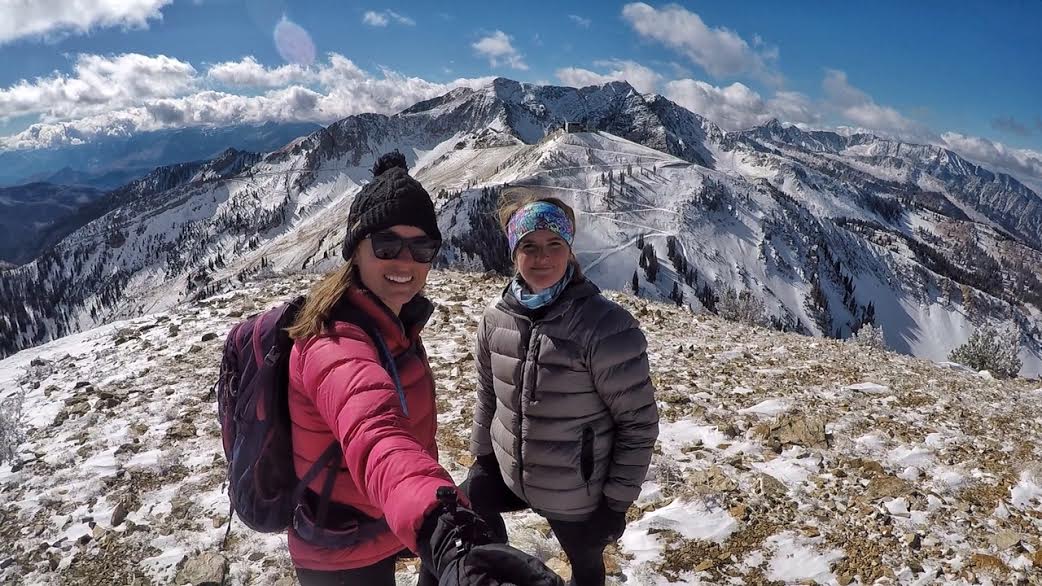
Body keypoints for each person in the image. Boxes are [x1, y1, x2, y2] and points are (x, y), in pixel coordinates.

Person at [284, 153, 564, 586]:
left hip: (381, 520)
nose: (405, 261)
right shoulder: (335, 341)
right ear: (354, 249)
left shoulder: (392, 322)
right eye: (387, 246)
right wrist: (444, 528)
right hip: (340, 549)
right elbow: (376, 435)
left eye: (422, 248)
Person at [466, 189, 660, 586]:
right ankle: (501, 567)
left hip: (576, 492)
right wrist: (482, 458)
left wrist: (614, 505)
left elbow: (637, 424)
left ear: (570, 250)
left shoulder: (606, 327)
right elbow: (489, 396)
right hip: (508, 472)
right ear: (513, 252)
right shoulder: (496, 319)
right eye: (529, 246)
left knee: (586, 569)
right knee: (461, 514)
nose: (542, 257)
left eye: (555, 244)